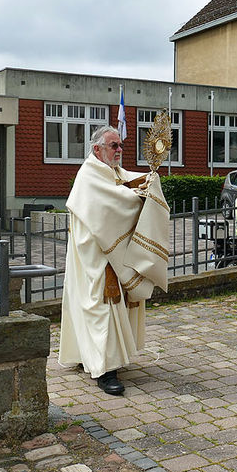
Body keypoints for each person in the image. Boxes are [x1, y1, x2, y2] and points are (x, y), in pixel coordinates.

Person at [58, 126, 169, 396]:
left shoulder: (112, 171)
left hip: (108, 251)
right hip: (95, 258)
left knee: (105, 310)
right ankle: (105, 372)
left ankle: (92, 357)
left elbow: (126, 181)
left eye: (120, 145)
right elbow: (112, 204)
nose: (119, 150)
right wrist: (138, 195)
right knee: (101, 310)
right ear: (97, 149)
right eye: (113, 146)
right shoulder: (88, 176)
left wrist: (148, 181)